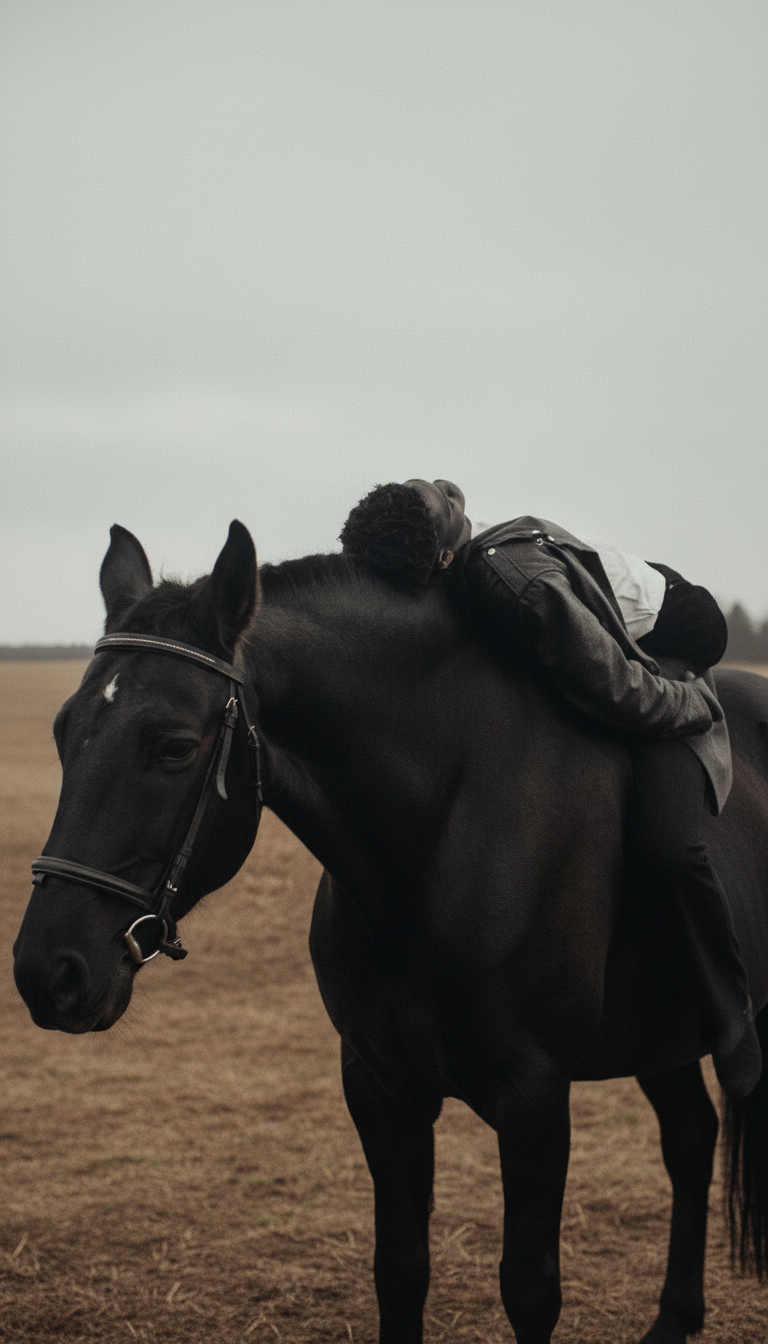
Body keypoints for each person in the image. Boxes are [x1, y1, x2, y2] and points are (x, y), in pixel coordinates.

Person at [340, 479, 761, 1098]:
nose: (451, 492)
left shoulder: (517, 586)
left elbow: (617, 686)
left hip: (675, 637)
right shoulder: (448, 574)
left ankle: (731, 1015)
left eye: (435, 495)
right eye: (439, 501)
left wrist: (690, 704)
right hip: (600, 640)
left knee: (669, 848)